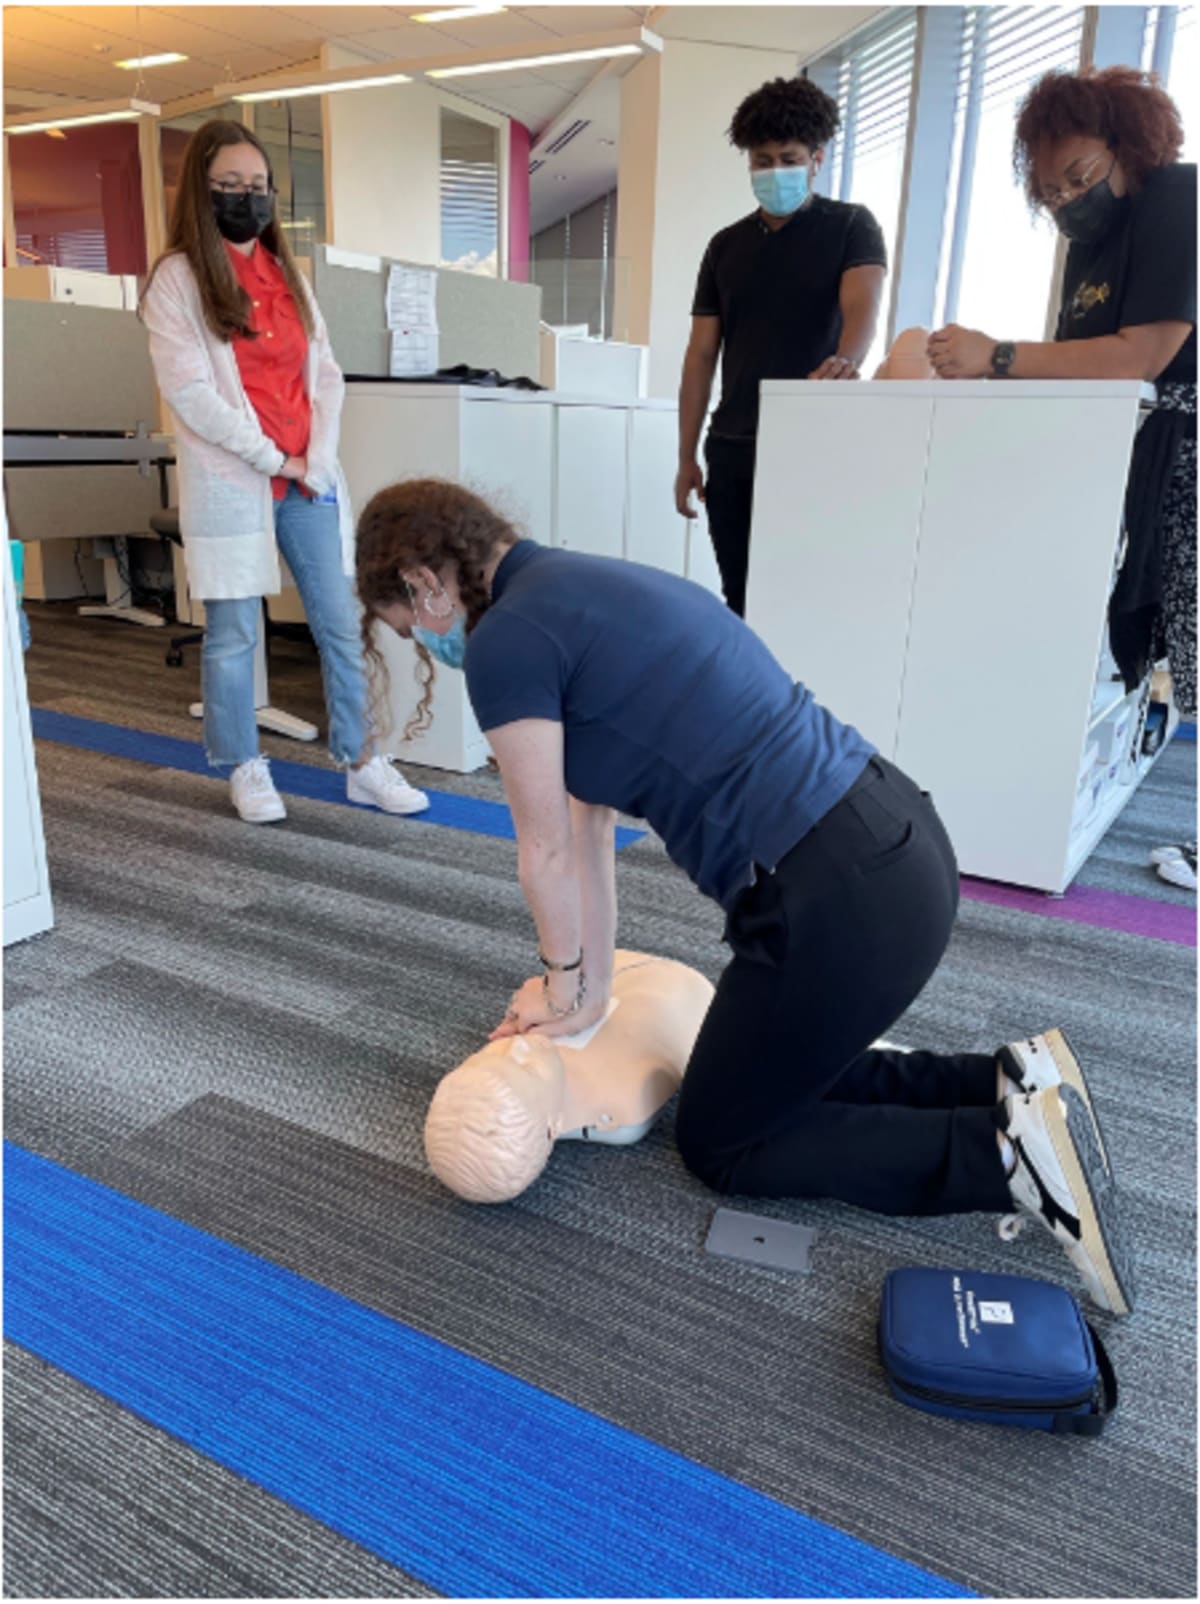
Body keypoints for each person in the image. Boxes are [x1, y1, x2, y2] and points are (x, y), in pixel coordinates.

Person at [356, 478, 1135, 1316]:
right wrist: (582, 993)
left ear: (422, 580)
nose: (431, 641)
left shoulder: (509, 641)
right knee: (774, 1078)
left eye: (414, 626)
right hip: (897, 843)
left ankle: (1006, 1158)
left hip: (833, 901)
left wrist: (558, 979)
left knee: (725, 1140)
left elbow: (542, 850)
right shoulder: (582, 587)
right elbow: (588, 843)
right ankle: (1012, 1084)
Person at [928, 67, 1195, 887]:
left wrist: (995, 356)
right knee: (1168, 640)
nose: (1067, 200)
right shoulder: (1091, 245)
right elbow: (1081, 366)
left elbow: (1142, 354)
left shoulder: (1178, 198)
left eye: (1079, 178)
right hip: (1141, 458)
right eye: (1048, 191)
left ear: (1129, 147)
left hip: (1187, 452)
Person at [141, 119, 429, 826]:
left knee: (338, 621)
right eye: (231, 186)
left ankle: (363, 761)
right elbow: (193, 397)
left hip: (308, 480)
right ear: (201, 194)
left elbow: (324, 373)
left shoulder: (287, 275)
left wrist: (318, 456)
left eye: (259, 186)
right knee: (235, 632)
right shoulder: (177, 280)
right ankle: (244, 763)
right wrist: (278, 459)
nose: (249, 198)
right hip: (238, 480)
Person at [675, 75, 888, 617]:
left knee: (809, 596)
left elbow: (862, 303)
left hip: (814, 441)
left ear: (816, 159)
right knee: (742, 598)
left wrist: (847, 362)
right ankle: (751, 703)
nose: (774, 171)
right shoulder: (725, 247)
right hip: (735, 445)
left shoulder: (850, 226)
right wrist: (685, 456)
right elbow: (701, 355)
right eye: (761, 160)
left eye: (787, 158)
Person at [424, 951, 715, 1203]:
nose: (518, 1045)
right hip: (683, 990)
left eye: (486, 1057)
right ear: (552, 1128)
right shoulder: (621, 1106)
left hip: (609, 967)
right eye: (528, 1069)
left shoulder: (513, 1086)